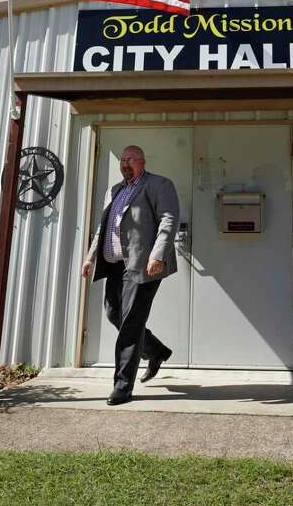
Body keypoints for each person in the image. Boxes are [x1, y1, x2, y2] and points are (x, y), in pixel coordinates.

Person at [82, 144, 179, 405]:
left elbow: (169, 219)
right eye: (123, 159)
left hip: (142, 264)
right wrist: (91, 256)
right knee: (114, 314)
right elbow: (105, 226)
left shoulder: (159, 185)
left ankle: (122, 387)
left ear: (143, 162)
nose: (126, 163)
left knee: (131, 323)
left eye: (132, 159)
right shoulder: (115, 190)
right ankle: (155, 350)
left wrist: (158, 254)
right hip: (114, 265)